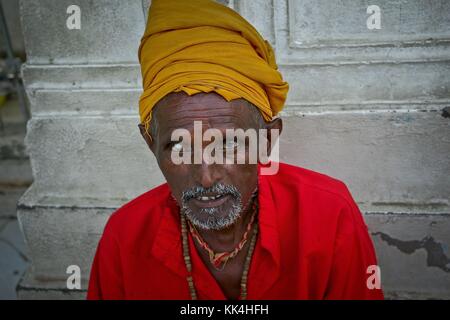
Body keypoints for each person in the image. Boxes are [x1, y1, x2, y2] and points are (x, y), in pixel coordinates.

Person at [87, 0, 383, 300]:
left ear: (266, 140)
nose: (205, 177)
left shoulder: (329, 216)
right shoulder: (124, 237)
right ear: (150, 144)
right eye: (179, 147)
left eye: (228, 144)